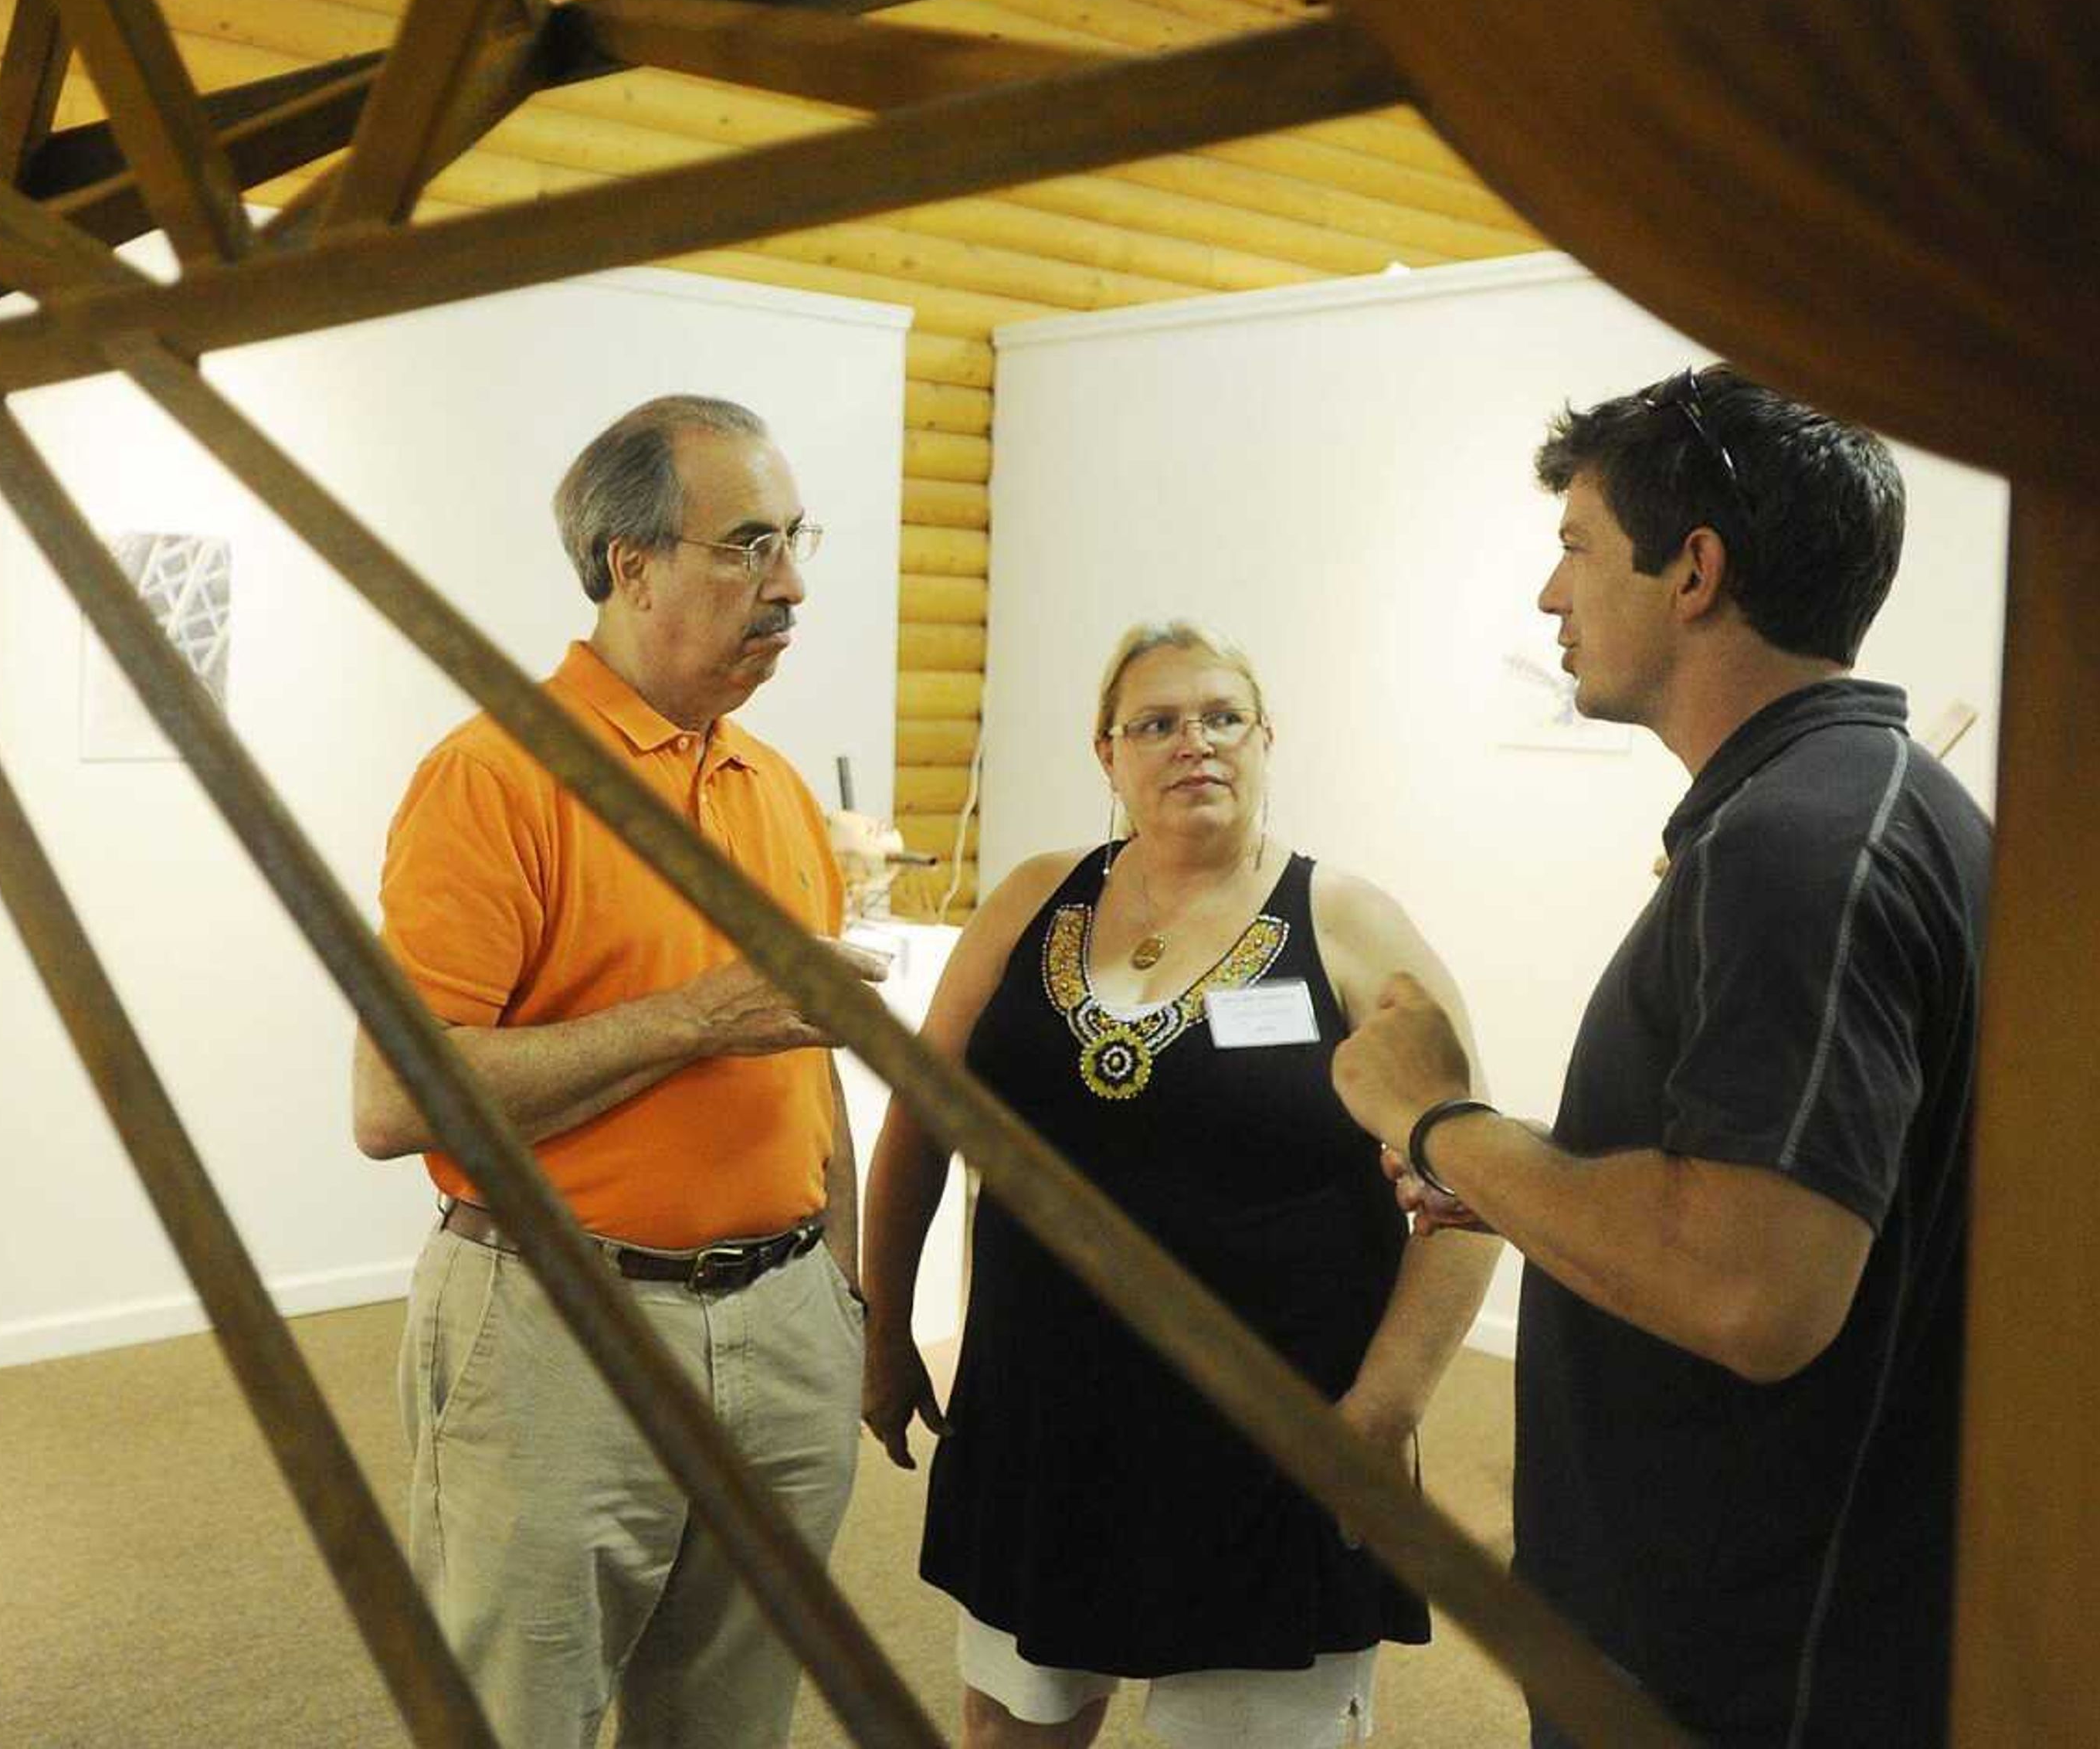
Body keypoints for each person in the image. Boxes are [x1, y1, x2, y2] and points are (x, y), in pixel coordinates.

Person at [1331, 366, 1989, 1747]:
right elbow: (1735, 1188)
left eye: (1574, 545)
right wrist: (1516, 1179)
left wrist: (1441, 1118)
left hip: (1753, 1665)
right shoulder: (1844, 810)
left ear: (1692, 570)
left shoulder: (1799, 850)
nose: (1549, 596)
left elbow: (1753, 1285)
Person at [352, 393, 885, 1749]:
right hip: (557, 1330)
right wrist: (696, 1016)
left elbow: (806, 1065)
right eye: (747, 546)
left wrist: (843, 1293)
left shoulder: (768, 785)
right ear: (628, 564)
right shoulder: (494, 777)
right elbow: (393, 1100)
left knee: (728, 1722)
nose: (792, 585)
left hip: (781, 1332)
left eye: (795, 541)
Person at [863, 620, 1500, 1749]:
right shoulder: (1031, 898)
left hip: (1270, 1441)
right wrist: (883, 1324)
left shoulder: (1347, 923)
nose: (1190, 742)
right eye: (1155, 722)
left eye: (1221, 718)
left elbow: (1473, 1187)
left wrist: (1382, 1411)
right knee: (1016, 1723)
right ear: (1106, 753)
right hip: (1044, 1418)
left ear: (1266, 740)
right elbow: (922, 1111)